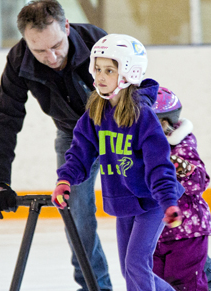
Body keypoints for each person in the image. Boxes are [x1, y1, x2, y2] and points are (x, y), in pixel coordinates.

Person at [51, 33, 185, 291]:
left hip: (154, 202)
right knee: (129, 269)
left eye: (109, 70)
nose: (100, 77)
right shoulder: (96, 112)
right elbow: (80, 151)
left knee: (136, 264)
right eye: (98, 69)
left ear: (129, 73)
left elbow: (159, 164)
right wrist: (65, 179)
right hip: (124, 200)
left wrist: (168, 201)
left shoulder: (142, 115)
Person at [0, 1, 112, 290]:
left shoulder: (97, 42)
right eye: (40, 50)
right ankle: (94, 287)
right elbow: (4, 120)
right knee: (77, 217)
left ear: (67, 27)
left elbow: (137, 90)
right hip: (73, 137)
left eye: (57, 45)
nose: (52, 56)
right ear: (25, 41)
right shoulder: (19, 60)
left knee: (149, 207)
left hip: (118, 133)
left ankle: (199, 273)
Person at [152, 87, 211, 291]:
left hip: (188, 231)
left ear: (164, 123)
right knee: (157, 283)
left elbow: (198, 181)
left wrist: (174, 163)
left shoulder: (181, 145)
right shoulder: (139, 148)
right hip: (157, 233)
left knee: (187, 284)